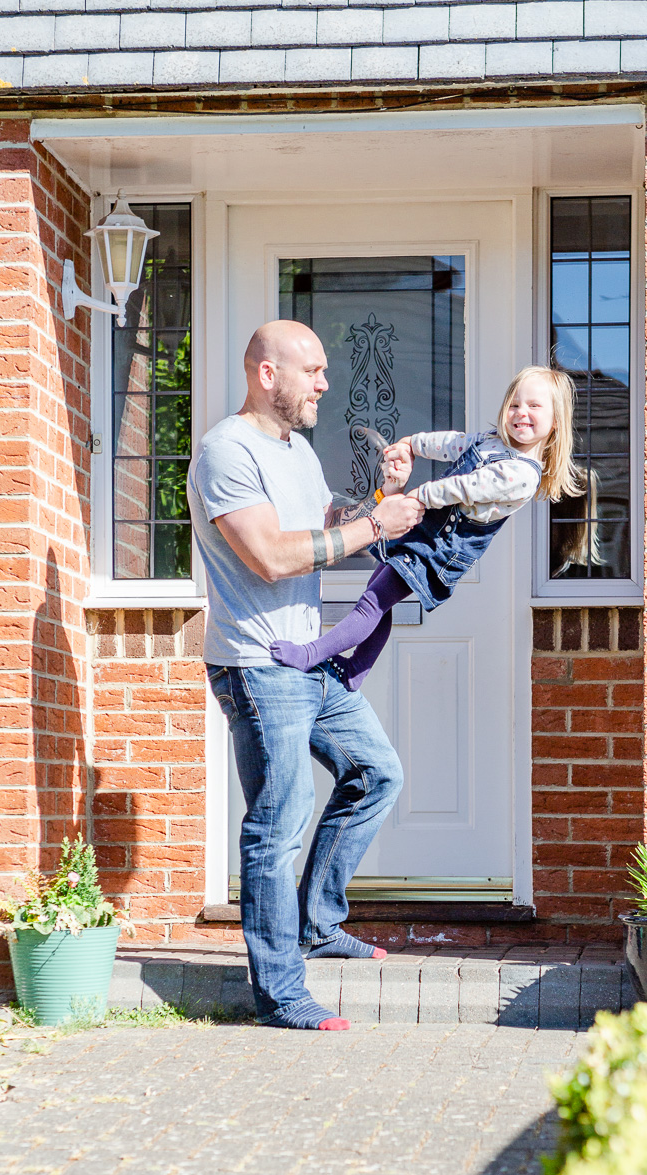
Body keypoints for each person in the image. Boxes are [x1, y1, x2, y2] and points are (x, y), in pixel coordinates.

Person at [187, 319, 424, 1031]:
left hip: (307, 658)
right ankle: (281, 993)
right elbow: (271, 556)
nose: (325, 382)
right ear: (268, 373)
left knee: (376, 773)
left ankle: (319, 922)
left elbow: (325, 522)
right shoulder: (224, 451)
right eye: (312, 370)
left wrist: (378, 502)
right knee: (276, 826)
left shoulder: (293, 448)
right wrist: (376, 529)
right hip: (257, 666)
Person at [271, 366, 583, 690]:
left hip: (439, 550)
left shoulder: (522, 475)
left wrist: (420, 496)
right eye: (515, 404)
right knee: (377, 597)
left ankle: (310, 654)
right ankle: (356, 670)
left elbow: (468, 487)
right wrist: (413, 444)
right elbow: (452, 443)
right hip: (425, 532)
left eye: (535, 406)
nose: (521, 413)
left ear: (556, 420)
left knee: (372, 603)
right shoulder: (492, 441)